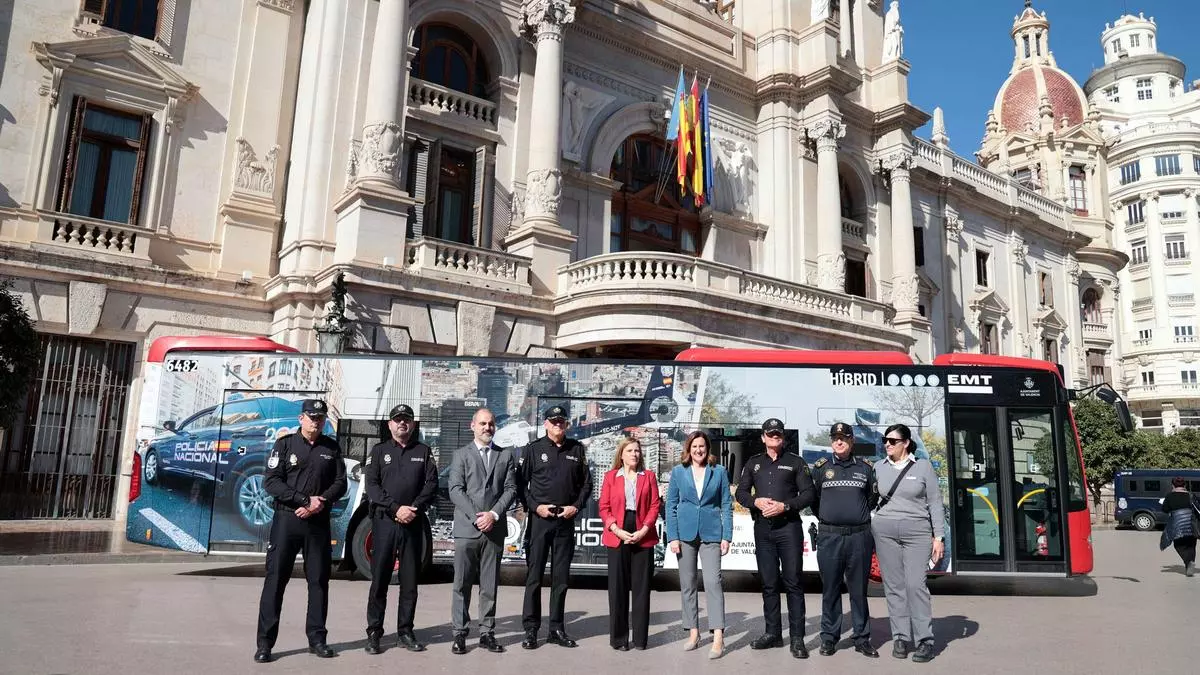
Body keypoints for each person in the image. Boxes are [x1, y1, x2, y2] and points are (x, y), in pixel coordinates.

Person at [254, 399, 347, 663]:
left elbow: (340, 483)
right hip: (288, 520)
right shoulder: (284, 445)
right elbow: (272, 482)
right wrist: (304, 501)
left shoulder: (331, 447)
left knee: (318, 582)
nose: (316, 421)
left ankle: (317, 640)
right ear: (301, 419)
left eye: (320, 418)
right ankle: (265, 644)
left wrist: (320, 502)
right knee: (275, 580)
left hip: (318, 522)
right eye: (312, 417)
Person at [735, 418, 816, 659]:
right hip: (763, 530)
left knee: (793, 583)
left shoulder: (796, 462)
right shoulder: (753, 463)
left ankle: (797, 638)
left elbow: (809, 494)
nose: (774, 437)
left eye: (778, 434)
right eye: (770, 434)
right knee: (769, 584)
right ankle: (772, 633)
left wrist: (785, 506)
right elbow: (741, 493)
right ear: (763, 437)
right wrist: (755, 501)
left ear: (783, 437)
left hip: (788, 528)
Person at [363, 404, 438, 655]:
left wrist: (413, 508)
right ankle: (374, 632)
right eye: (397, 420)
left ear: (413, 424)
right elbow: (372, 486)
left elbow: (431, 484)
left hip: (412, 523)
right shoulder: (379, 451)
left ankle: (405, 631)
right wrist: (396, 508)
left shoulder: (423, 451)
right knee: (380, 581)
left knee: (409, 581)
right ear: (390, 424)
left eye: (406, 419)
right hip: (385, 522)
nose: (402, 423)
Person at [520, 405, 593, 649]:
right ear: (546, 424)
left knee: (560, 579)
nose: (558, 424)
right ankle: (531, 630)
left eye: (561, 421)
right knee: (534, 577)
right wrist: (535, 507)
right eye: (553, 421)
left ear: (567, 424)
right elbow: (521, 485)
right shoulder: (533, 449)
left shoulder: (576, 449)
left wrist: (576, 507)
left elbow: (586, 484)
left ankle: (556, 628)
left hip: (565, 521)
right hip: (540, 521)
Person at [872, 423, 945, 663]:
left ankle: (925, 640)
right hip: (885, 532)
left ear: (905, 443)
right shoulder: (878, 467)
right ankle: (901, 638)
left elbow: (935, 502)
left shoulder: (923, 467)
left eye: (892, 441)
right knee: (894, 587)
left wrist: (938, 537)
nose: (887, 444)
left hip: (917, 533)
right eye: (885, 440)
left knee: (915, 585)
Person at [448, 408, 517, 654]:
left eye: (491, 424)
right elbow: (455, 489)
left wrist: (493, 515)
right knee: (462, 584)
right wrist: (478, 517)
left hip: (494, 529)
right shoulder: (460, 455)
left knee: (490, 585)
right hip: (468, 529)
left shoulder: (505, 455)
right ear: (473, 426)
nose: (487, 427)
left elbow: (511, 489)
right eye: (483, 423)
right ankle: (459, 633)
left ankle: (487, 633)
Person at [810, 422, 879, 658]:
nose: (838, 441)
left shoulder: (865, 468)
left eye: (843, 437)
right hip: (830, 536)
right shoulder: (821, 468)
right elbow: (814, 501)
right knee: (830, 590)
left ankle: (862, 638)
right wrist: (832, 518)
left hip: (859, 537)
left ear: (852, 441)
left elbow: (871, 499)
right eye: (835, 438)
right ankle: (829, 638)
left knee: (858, 591)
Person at [665, 430, 732, 659]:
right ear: (689, 449)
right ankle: (693, 632)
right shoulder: (678, 472)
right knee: (688, 584)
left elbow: (726, 504)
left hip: (711, 534)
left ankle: (718, 636)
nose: (698, 450)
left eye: (702, 446)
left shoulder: (719, 471)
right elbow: (671, 505)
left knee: (713, 582)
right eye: (694, 446)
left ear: (707, 448)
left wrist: (727, 536)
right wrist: (673, 537)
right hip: (685, 534)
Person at [599, 437, 662, 651]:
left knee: (641, 588)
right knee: (617, 588)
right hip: (618, 531)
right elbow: (604, 507)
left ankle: (640, 639)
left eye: (637, 450)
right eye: (630, 450)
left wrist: (644, 530)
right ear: (621, 454)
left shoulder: (649, 476)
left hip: (643, 531)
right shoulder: (610, 477)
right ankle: (619, 639)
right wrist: (616, 530)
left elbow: (654, 505)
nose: (634, 454)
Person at [1159, 476, 1198, 577]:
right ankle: (1189, 564)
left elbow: (1165, 509)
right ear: (1184, 485)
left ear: (1173, 485)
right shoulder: (1191, 495)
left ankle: (1188, 563)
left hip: (1178, 525)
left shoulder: (1169, 496)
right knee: (1191, 546)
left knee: (1178, 545)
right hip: (1191, 525)